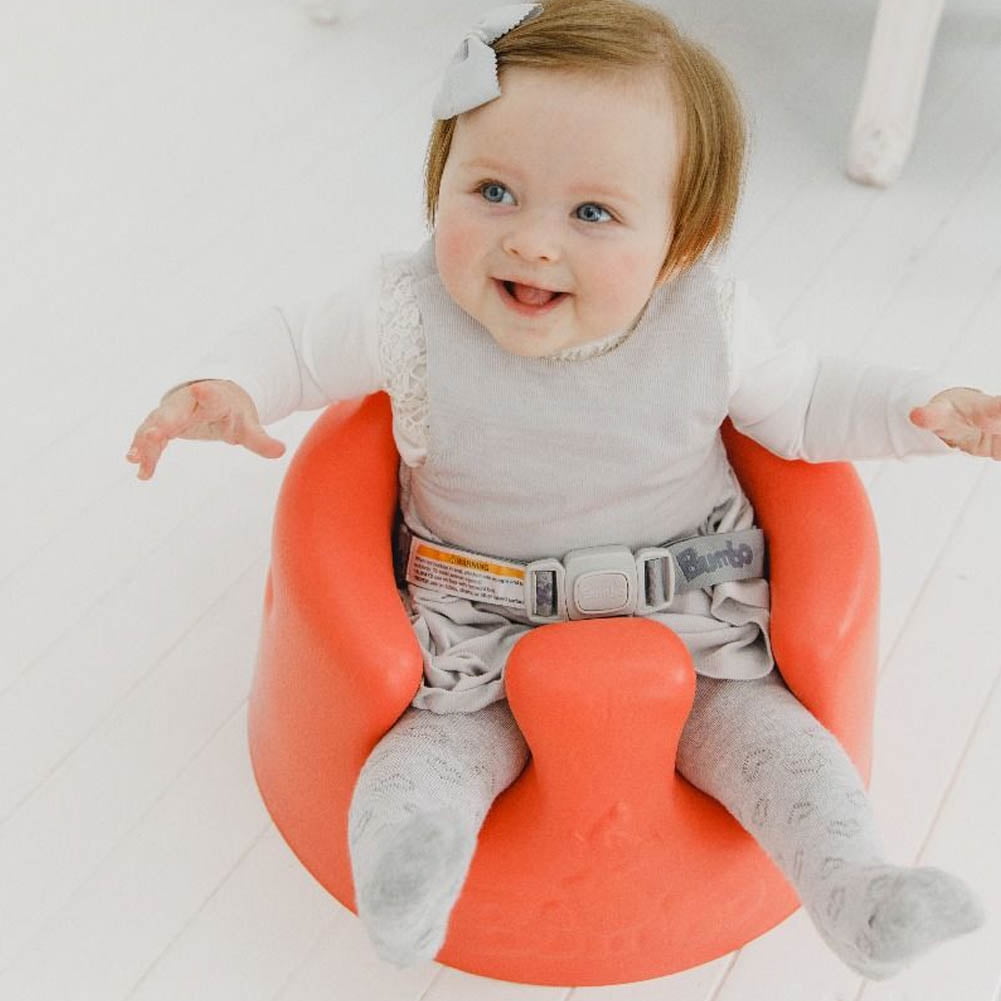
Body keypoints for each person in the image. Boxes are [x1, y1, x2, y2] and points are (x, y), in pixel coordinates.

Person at [126, 0, 997, 979]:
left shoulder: (706, 320)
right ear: (438, 183)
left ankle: (855, 886)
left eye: (590, 214)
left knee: (777, 748)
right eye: (492, 190)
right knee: (425, 762)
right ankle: (405, 877)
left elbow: (802, 405)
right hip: (477, 616)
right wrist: (226, 385)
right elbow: (292, 343)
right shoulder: (407, 314)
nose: (531, 241)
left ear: (677, 242)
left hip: (693, 612)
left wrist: (925, 409)